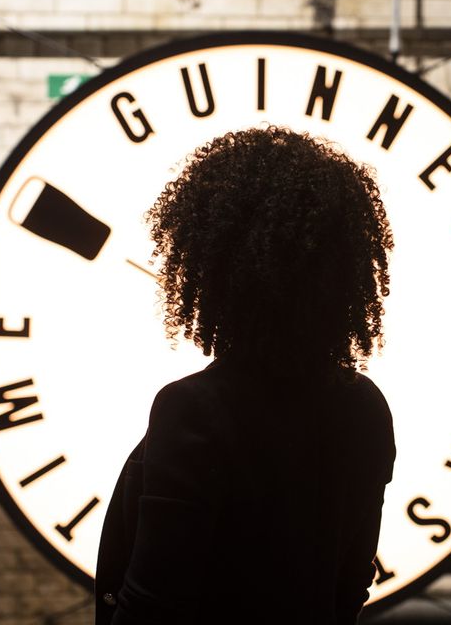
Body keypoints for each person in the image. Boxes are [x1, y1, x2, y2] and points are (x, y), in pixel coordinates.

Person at [94, 126, 397, 624]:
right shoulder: (364, 406)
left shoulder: (195, 409)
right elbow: (350, 585)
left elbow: (153, 603)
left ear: (206, 268)